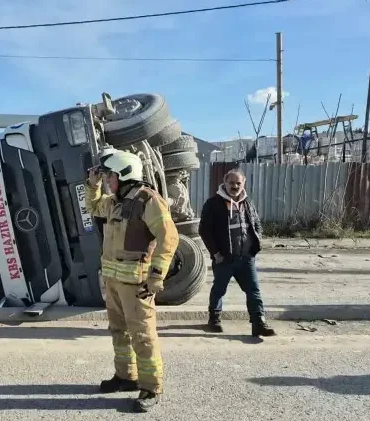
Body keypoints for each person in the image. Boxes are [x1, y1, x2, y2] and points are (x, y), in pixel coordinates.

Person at [84, 150, 179, 413]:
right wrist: (92, 185)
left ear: (124, 175)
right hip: (114, 282)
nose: (107, 181)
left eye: (110, 176)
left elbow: (169, 238)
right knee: (119, 332)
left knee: (143, 336)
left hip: (137, 285)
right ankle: (126, 377)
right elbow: (92, 206)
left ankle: (151, 387)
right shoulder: (115, 200)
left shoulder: (148, 200)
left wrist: (157, 276)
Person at [199, 168, 276, 337]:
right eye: (231, 183)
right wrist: (216, 253)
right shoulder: (213, 203)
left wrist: (256, 244)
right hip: (224, 258)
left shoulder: (248, 203)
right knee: (219, 290)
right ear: (225, 183)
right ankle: (214, 319)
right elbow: (204, 231)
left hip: (246, 258)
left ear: (243, 184)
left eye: (238, 183)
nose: (235, 186)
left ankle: (258, 323)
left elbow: (256, 224)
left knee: (253, 290)